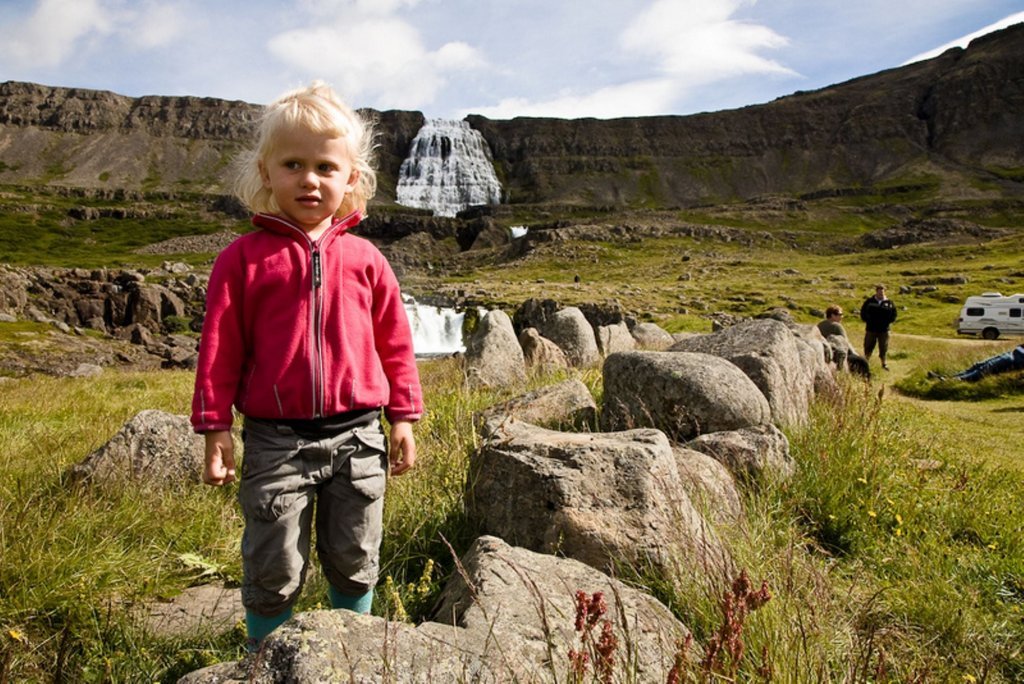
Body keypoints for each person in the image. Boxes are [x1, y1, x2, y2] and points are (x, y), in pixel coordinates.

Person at [190, 82, 423, 652]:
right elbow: (219, 347)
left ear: (351, 179)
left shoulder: (368, 259)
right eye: (293, 164)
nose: (310, 179)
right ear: (266, 172)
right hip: (275, 442)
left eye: (325, 166)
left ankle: (355, 651)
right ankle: (263, 657)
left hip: (360, 436)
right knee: (273, 564)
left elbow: (395, 342)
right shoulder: (240, 260)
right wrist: (215, 426)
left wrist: (404, 417)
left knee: (356, 554)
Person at [817, 304, 870, 377]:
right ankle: (866, 381)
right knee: (862, 362)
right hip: (839, 353)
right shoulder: (836, 326)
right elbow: (846, 342)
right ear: (833, 315)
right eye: (840, 314)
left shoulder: (820, 325)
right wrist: (855, 354)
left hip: (824, 352)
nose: (842, 317)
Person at [930, 344, 1024, 382]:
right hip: (1013, 353)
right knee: (978, 365)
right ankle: (947, 376)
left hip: (1016, 360)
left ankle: (955, 380)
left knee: (986, 368)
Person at [860, 284, 897, 370]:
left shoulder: (889, 303)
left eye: (882, 292)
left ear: (885, 292)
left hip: (884, 330)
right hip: (871, 329)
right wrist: (868, 321)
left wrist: (887, 322)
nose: (881, 294)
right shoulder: (869, 302)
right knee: (868, 346)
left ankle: (884, 364)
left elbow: (894, 315)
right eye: (879, 292)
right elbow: (863, 313)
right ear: (876, 292)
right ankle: (866, 363)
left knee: (883, 347)